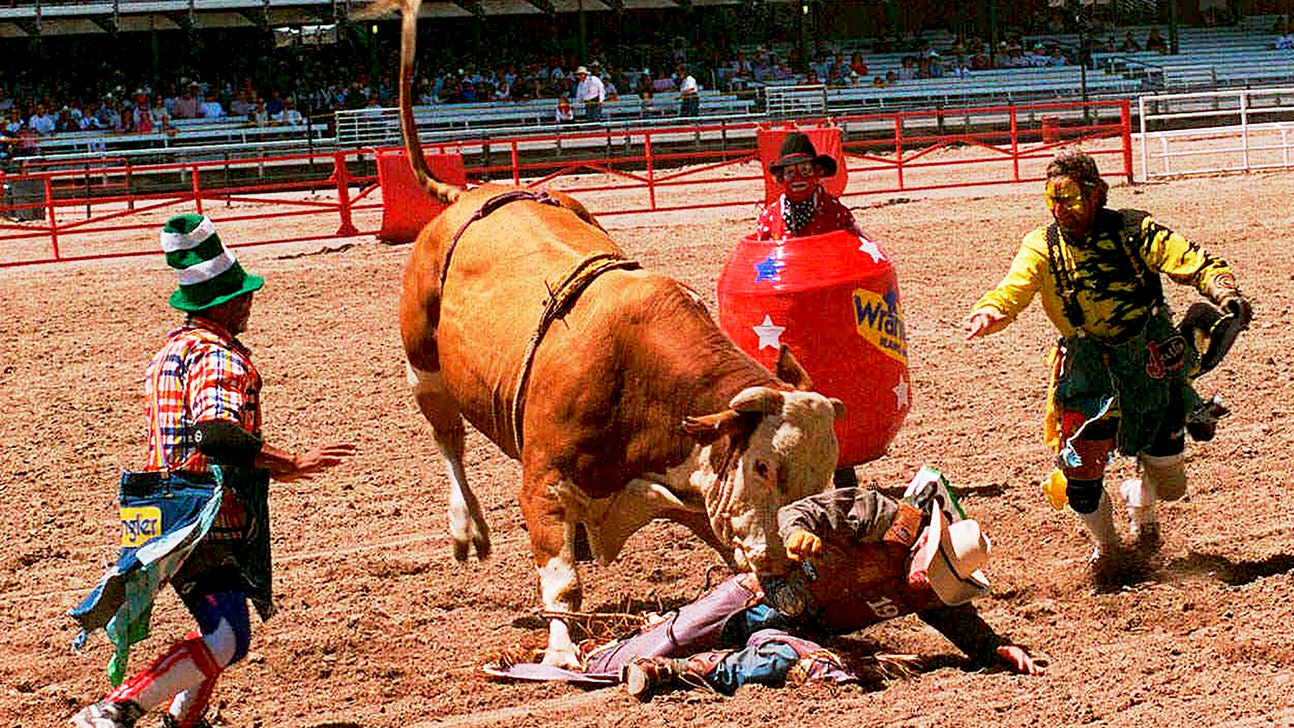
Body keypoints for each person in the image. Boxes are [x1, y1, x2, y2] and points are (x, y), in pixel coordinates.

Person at [69, 214, 356, 728]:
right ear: (221, 304)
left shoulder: (169, 353)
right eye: (243, 296)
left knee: (223, 628)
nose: (250, 302)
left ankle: (183, 720)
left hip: (158, 509)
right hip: (199, 516)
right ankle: (117, 709)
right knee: (227, 635)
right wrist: (288, 462)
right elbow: (214, 433)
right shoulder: (221, 358)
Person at [491, 468, 1045, 699]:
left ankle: (684, 676)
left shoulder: (922, 588)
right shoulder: (878, 516)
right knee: (668, 638)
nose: (930, 594)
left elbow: (955, 617)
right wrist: (798, 536)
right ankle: (611, 656)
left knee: (805, 663)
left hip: (802, 628)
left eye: (938, 590)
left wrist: (996, 646)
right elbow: (798, 516)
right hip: (760, 595)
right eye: (936, 581)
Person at [965, 149, 1251, 576]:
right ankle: (1109, 550)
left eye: (1072, 199)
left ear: (1097, 194)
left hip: (1151, 359)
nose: (1062, 210)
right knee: (1080, 470)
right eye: (1053, 200)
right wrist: (991, 312)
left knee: (1170, 482)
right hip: (1086, 371)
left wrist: (1224, 292)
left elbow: (1191, 260)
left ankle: (1144, 501)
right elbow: (1013, 289)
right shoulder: (1040, 246)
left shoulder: (1135, 230)